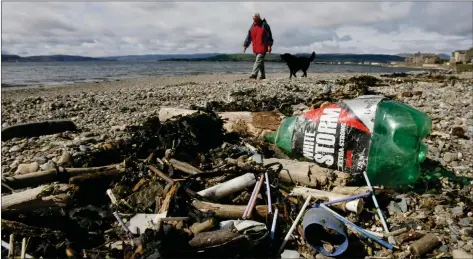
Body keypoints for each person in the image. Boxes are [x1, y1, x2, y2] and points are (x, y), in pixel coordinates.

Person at [243, 13, 274, 80]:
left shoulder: (265, 25)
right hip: (256, 47)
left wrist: (269, 45)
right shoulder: (252, 26)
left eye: (255, 19)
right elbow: (249, 37)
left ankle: (254, 74)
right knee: (260, 62)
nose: (254, 20)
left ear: (259, 17)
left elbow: (270, 36)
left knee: (258, 60)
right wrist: (245, 45)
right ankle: (262, 76)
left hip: (263, 46)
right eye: (253, 19)